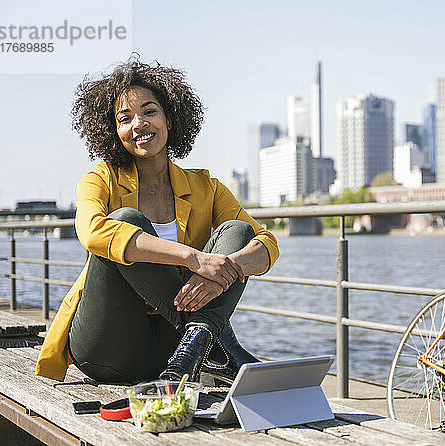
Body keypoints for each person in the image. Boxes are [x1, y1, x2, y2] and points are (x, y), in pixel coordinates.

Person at [35, 58, 279, 384]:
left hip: (173, 349)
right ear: (113, 130)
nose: (139, 123)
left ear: (169, 118)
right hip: (107, 349)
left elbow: (267, 244)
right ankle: (219, 349)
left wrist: (226, 267)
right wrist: (194, 258)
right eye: (125, 118)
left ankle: (198, 342)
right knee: (126, 220)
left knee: (239, 231)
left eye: (149, 112)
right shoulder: (101, 178)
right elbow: (93, 231)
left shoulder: (207, 186)